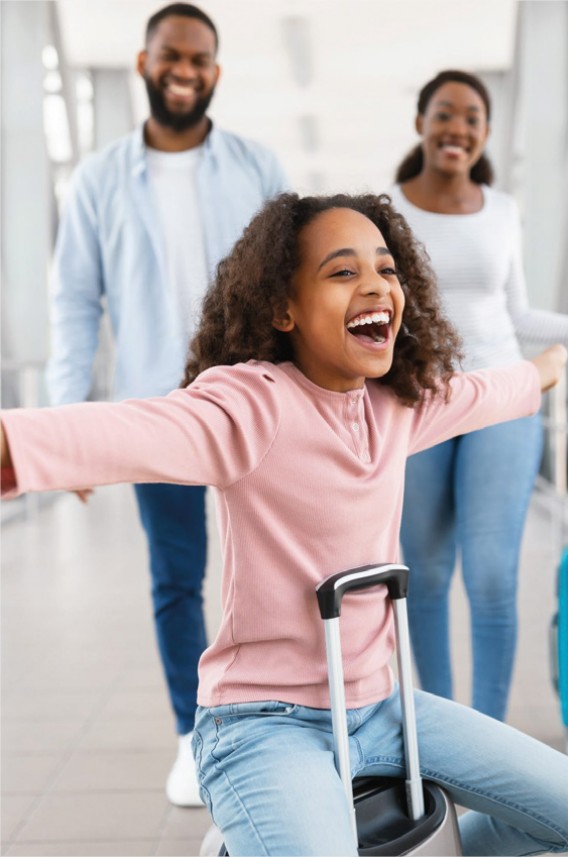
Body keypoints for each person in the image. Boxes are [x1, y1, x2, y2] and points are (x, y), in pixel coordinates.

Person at [1, 192, 568, 856]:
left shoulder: (397, 406)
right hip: (261, 723)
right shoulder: (250, 402)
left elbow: (484, 392)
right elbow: (136, 426)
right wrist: (23, 447)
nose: (376, 285)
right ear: (282, 308)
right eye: (343, 272)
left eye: (386, 269)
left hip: (383, 708)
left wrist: (546, 367)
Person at [45, 3, 289, 805]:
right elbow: (76, 300)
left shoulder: (257, 166)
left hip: (258, 396)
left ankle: (288, 726)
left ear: (215, 72)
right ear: (144, 63)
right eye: (170, 56)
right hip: (161, 408)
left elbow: (299, 278)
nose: (184, 70)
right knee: (177, 577)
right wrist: (64, 422)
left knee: (280, 571)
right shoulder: (99, 178)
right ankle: (195, 738)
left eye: (200, 59)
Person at [390, 69, 568, 722]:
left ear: (484, 133)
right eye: (443, 113)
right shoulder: (383, 211)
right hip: (417, 406)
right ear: (420, 123)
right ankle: (438, 730)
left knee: (490, 575)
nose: (456, 128)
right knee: (425, 575)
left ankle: (487, 737)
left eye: (470, 118)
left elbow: (517, 315)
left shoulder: (502, 210)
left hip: (501, 398)